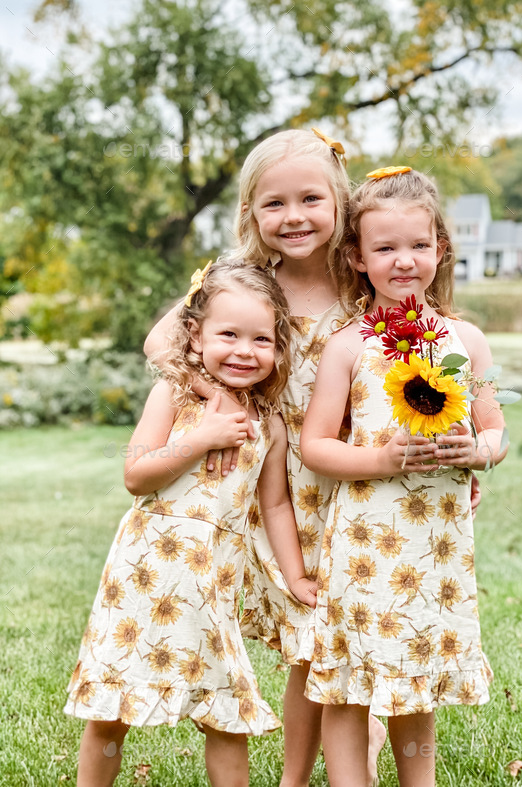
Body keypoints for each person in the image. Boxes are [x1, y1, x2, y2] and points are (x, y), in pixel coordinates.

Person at [144, 130, 481, 786]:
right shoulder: (246, 283)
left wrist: (453, 459)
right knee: (310, 643)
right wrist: (217, 394)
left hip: (360, 492)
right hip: (281, 488)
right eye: (274, 204)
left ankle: (335, 760)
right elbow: (164, 340)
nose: (293, 216)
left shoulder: (363, 278)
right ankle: (300, 776)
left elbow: (433, 372)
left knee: (331, 637)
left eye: (310, 199)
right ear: (251, 214)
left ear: (341, 207)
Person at [65, 260, 317, 787]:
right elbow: (136, 475)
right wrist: (198, 439)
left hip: (212, 587)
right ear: (196, 337)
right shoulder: (174, 397)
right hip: (145, 576)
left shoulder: (267, 424)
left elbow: (273, 507)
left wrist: (294, 577)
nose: (245, 351)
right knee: (112, 707)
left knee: (225, 713)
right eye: (228, 334)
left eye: (261, 340)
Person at [299, 166, 507, 787]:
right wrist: (381, 460)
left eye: (418, 245)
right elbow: (315, 445)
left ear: (440, 249)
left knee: (416, 680)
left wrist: (478, 450)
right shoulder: (347, 345)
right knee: (348, 684)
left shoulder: (465, 340)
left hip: (435, 547)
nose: (404, 261)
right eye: (384, 248)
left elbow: (494, 430)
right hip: (365, 541)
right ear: (358, 258)